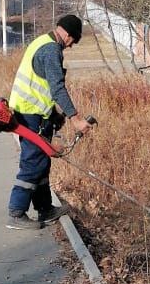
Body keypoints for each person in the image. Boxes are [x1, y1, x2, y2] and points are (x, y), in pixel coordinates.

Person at [6, 13, 91, 230]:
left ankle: (45, 208)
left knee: (42, 162)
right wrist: (76, 119)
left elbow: (41, 87)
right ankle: (16, 212)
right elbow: (57, 87)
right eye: (74, 41)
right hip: (28, 114)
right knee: (33, 162)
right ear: (69, 35)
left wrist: (53, 115)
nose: (71, 47)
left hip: (33, 113)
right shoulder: (52, 50)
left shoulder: (42, 41)